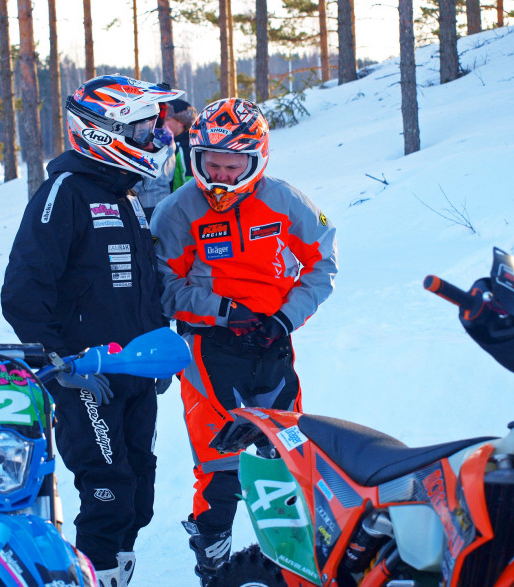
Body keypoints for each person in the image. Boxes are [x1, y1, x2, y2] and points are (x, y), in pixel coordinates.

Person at [1, 74, 183, 587]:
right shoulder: (65, 192)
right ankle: (92, 576)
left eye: (156, 125)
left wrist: (156, 346)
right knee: (108, 490)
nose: (158, 136)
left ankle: (113, 574)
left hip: (133, 371)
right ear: (104, 132)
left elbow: (141, 283)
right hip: (84, 375)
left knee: (138, 493)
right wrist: (58, 363)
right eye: (146, 127)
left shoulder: (123, 193)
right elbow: (22, 292)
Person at [150, 97, 338, 586]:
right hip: (209, 347)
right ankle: (212, 549)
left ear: (256, 161)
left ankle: (299, 557)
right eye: (212, 164)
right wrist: (222, 310)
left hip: (271, 341)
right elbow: (163, 288)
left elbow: (323, 264)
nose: (222, 177)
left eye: (234, 167)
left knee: (288, 449)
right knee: (222, 460)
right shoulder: (177, 210)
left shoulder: (285, 200)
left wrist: (284, 318)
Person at [132, 101, 177, 221]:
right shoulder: (169, 139)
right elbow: (170, 173)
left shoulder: (146, 142)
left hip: (145, 204)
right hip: (166, 201)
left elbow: (138, 181)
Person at [164, 98, 198, 191]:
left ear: (181, 122)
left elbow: (190, 186)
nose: (162, 123)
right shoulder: (170, 144)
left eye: (166, 119)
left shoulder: (186, 148)